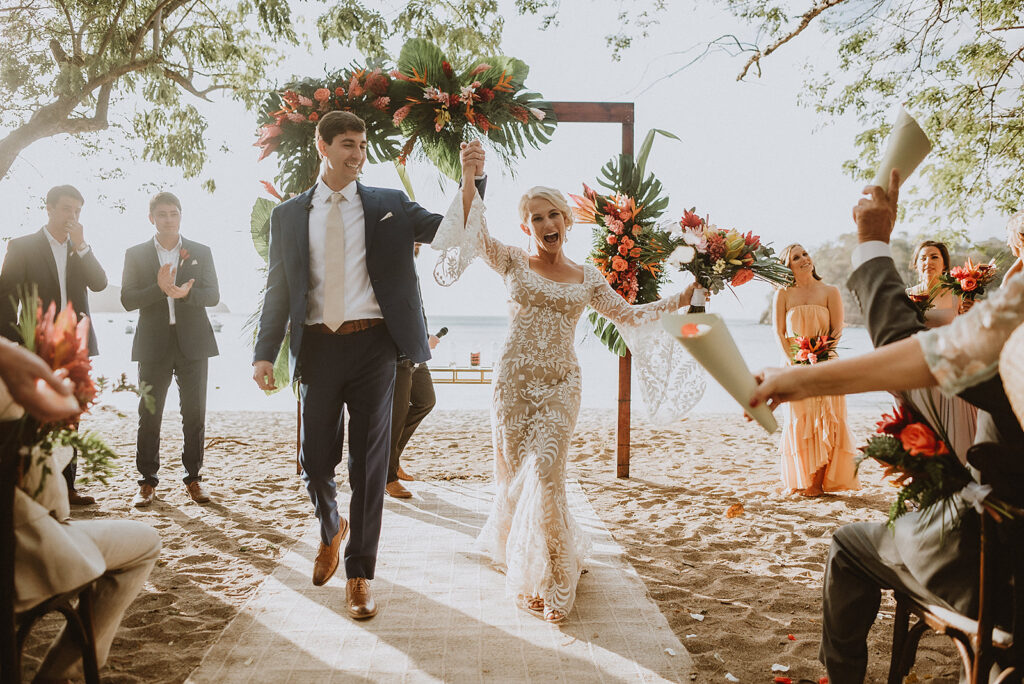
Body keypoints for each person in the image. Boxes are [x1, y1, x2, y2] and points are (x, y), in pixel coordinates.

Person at [751, 169, 1024, 683]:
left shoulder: (1018, 327)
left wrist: (873, 242)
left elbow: (907, 342)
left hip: (996, 568)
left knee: (850, 546)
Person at [430, 149, 702, 624]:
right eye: (536, 217)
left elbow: (629, 316)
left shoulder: (587, 276)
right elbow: (472, 231)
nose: (546, 222)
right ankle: (532, 563)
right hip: (513, 385)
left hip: (561, 383)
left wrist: (680, 298)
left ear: (566, 221)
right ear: (527, 227)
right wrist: (470, 175)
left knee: (547, 476)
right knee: (518, 479)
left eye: (553, 213)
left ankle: (554, 577)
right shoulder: (512, 260)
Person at [251, 111, 488, 620]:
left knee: (368, 464)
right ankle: (331, 525)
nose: (357, 154)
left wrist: (473, 181)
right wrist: (263, 352)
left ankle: (359, 573)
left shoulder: (389, 206)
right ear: (322, 146)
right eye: (347, 144)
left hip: (375, 349)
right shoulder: (288, 215)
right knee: (314, 461)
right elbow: (278, 288)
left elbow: (450, 232)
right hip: (315, 347)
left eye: (361, 145)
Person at [1, 341, 161, 684]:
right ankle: (60, 674)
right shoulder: (11, 380)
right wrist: (57, 436)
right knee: (146, 541)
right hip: (16, 563)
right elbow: (51, 505)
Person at [0, 184, 107, 506]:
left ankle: (67, 487)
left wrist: (83, 246)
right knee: (31, 414)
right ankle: (28, 485)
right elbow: (5, 296)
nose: (71, 217)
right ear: (49, 208)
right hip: (34, 342)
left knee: (70, 413)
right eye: (66, 209)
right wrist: (17, 341)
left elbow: (100, 283)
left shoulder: (80, 248)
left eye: (77, 211)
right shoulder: (22, 246)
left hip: (75, 344)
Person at [121, 192, 220, 508]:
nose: (168, 219)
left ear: (181, 216)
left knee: (194, 415)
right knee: (149, 415)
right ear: (151, 217)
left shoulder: (200, 252)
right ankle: (147, 483)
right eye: (162, 214)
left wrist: (184, 294)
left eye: (174, 213)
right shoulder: (135, 254)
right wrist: (159, 289)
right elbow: (127, 299)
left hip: (194, 343)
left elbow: (213, 295)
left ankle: (194, 479)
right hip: (153, 345)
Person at [772, 244, 858, 496]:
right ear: (787, 266)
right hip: (794, 365)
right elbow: (778, 332)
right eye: (795, 257)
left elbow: (836, 331)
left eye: (805, 254)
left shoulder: (830, 291)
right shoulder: (783, 294)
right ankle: (799, 480)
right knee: (799, 420)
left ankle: (817, 484)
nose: (803, 259)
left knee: (826, 419)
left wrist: (820, 355)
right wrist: (792, 360)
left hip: (825, 362)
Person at [386, 252, 438, 499]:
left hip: (417, 348)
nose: (417, 244)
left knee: (426, 400)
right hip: (397, 352)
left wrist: (424, 339)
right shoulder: (390, 261)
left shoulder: (410, 264)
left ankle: (391, 460)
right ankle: (387, 477)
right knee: (395, 417)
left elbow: (415, 308)